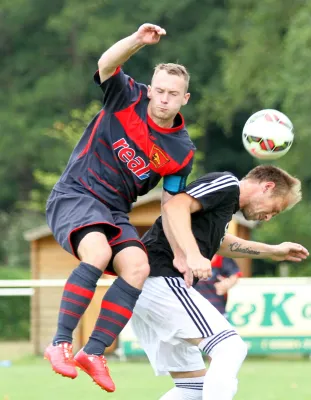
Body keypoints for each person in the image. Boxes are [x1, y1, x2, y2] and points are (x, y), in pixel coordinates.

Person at [44, 23, 196, 392]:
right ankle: (60, 343)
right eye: (158, 90)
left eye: (172, 94)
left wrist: (180, 253)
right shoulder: (126, 96)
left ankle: (93, 351)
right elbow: (107, 63)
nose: (162, 98)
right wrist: (136, 41)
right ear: (150, 88)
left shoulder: (181, 152)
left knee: (138, 266)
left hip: (113, 211)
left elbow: (171, 204)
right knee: (95, 252)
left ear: (184, 99)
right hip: (76, 194)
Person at [131, 165, 309, 400]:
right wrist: (192, 254)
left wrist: (272, 251)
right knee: (230, 348)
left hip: (150, 287)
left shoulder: (223, 210)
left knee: (192, 388)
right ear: (267, 186)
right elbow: (174, 205)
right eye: (274, 210)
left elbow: (221, 243)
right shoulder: (227, 184)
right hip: (161, 280)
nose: (267, 217)